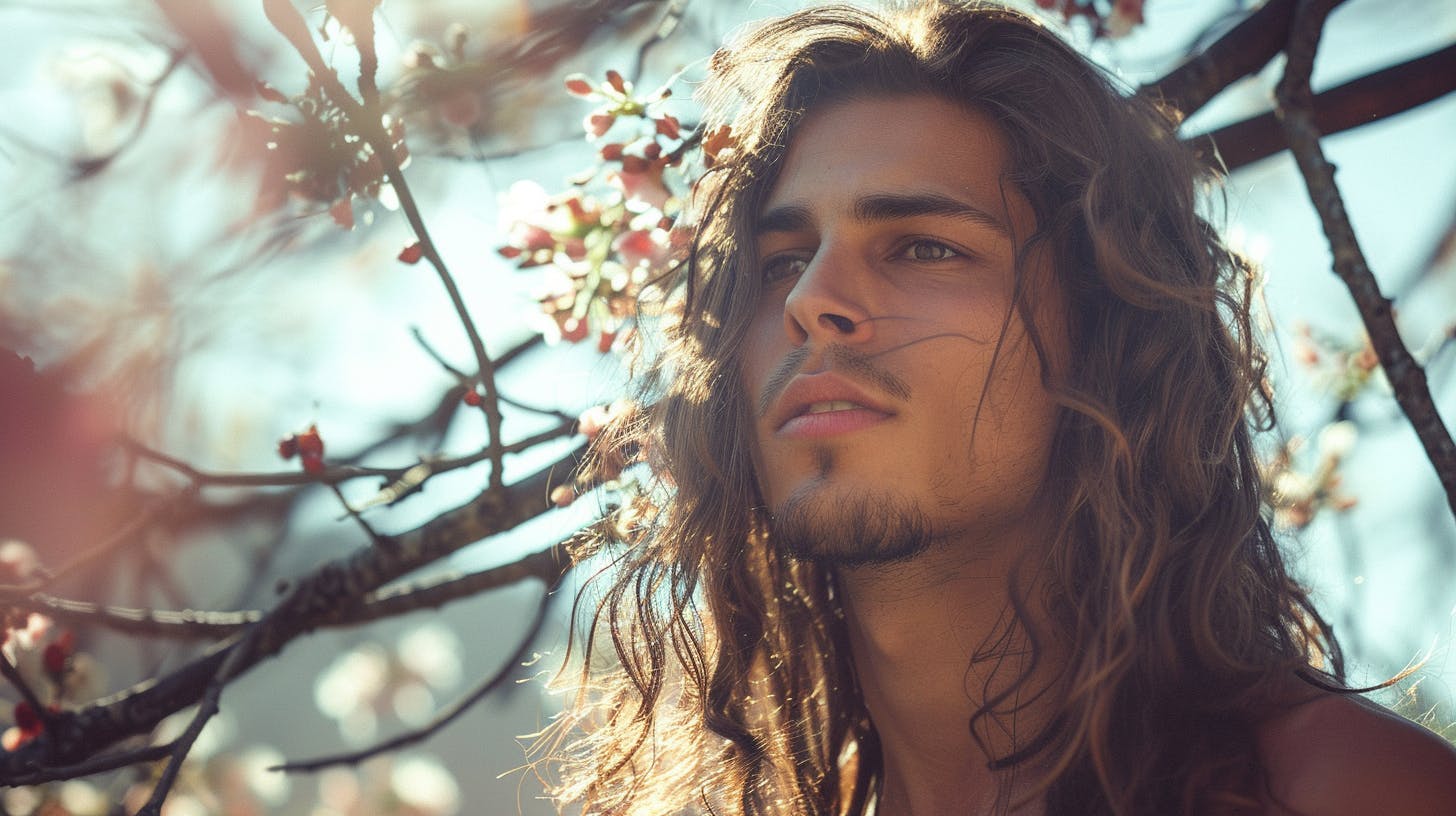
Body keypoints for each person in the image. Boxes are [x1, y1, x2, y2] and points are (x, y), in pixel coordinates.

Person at [543, 2, 1456, 813]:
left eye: (924, 247)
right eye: (783, 258)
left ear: (1107, 336)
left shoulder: (1345, 792)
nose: (810, 298)